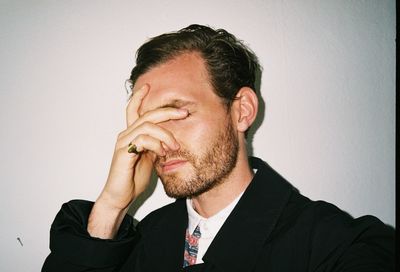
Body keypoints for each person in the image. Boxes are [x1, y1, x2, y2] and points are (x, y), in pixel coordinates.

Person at [42, 24, 394, 272]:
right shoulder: (147, 236)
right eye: (147, 122)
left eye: (179, 113)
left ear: (241, 111)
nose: (159, 141)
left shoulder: (335, 244)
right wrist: (111, 207)